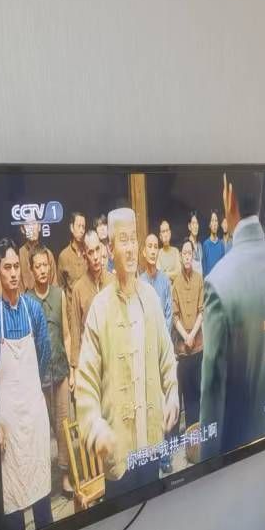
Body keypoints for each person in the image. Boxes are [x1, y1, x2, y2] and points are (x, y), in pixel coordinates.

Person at [73, 207, 178, 486]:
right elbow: (85, 384)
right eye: (123, 240)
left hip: (151, 445)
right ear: (110, 249)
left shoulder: (151, 298)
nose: (131, 249)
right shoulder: (100, 308)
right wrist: (95, 426)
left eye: (134, 239)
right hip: (119, 452)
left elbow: (167, 356)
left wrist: (172, 393)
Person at [200, 172, 265, 451]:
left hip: (235, 451)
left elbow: (212, 394)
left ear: (229, 195)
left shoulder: (217, 282)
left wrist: (207, 463)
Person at [0, 239, 54, 530]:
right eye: (7, 267)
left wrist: (30, 393)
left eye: (16, 266)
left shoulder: (34, 310)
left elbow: (44, 355)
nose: (13, 273)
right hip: (8, 422)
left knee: (42, 495)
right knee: (12, 499)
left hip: (34, 413)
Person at [29, 245, 71, 497]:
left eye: (45, 265)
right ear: (32, 270)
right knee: (44, 429)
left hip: (61, 371)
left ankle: (65, 476)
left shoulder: (59, 294)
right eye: (38, 266)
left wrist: (72, 370)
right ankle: (43, 481)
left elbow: (66, 335)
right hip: (39, 378)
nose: (43, 270)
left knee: (64, 425)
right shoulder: (27, 301)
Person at [172, 234, 206, 431]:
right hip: (183, 349)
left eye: (189, 253)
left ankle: (197, 436)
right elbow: (174, 316)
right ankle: (186, 437)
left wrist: (193, 335)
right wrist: (186, 337)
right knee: (184, 394)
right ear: (180, 256)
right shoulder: (176, 283)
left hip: (198, 346)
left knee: (197, 394)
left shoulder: (199, 279)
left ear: (193, 255)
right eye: (184, 253)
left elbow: (202, 311)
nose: (187, 256)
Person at [65, 226, 108, 373]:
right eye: (90, 252)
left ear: (102, 249)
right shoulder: (78, 288)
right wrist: (75, 368)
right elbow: (76, 330)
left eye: (97, 250)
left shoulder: (113, 282)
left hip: (112, 356)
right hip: (90, 359)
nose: (95, 257)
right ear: (85, 255)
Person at [140, 230, 174, 330]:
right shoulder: (139, 282)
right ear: (144, 252)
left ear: (158, 252)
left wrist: (163, 336)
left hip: (163, 334)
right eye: (150, 246)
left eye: (155, 247)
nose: (153, 251)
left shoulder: (164, 280)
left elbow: (169, 313)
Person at [17, 218, 55, 288]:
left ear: (39, 226)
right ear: (22, 229)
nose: (32, 228)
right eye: (28, 225)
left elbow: (54, 285)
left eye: (34, 223)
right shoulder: (18, 255)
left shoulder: (48, 254)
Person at [59, 211, 89, 293]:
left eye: (83, 227)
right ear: (72, 228)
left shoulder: (89, 252)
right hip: (71, 300)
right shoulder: (64, 256)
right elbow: (61, 286)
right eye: (79, 226)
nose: (81, 230)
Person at [156, 218, 185, 291]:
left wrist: (165, 273)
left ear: (170, 233)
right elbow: (159, 275)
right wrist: (172, 274)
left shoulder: (175, 251)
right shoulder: (158, 253)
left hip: (175, 290)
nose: (165, 234)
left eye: (167, 231)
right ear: (160, 236)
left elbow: (179, 272)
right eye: (163, 231)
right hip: (162, 290)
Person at [202, 209, 227, 277]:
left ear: (218, 224)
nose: (214, 224)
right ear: (209, 224)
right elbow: (204, 268)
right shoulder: (205, 244)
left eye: (216, 221)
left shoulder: (221, 244)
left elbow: (223, 266)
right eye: (212, 220)